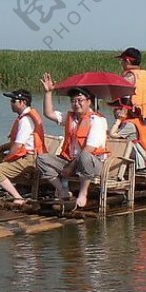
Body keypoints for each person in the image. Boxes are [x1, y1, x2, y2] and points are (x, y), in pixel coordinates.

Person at [36, 74, 110, 208]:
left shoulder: (97, 121)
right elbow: (49, 113)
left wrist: (70, 166)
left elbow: (90, 149)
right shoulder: (71, 117)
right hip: (70, 161)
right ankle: (62, 190)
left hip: (93, 164)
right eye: (73, 101)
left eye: (80, 100)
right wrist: (48, 93)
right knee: (42, 159)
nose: (76, 104)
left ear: (89, 101)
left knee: (85, 156)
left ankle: (83, 193)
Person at [0, 89, 46, 205]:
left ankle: (18, 197)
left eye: (13, 100)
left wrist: (6, 160)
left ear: (23, 102)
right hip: (21, 155)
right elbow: (17, 142)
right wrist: (1, 148)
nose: (11, 103)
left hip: (28, 159)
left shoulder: (26, 120)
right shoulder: (23, 117)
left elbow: (17, 146)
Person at [107, 95, 146, 172]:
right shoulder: (131, 121)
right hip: (138, 155)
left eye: (117, 109)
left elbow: (112, 134)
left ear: (124, 110)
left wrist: (119, 119)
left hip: (141, 160)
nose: (114, 111)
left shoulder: (130, 125)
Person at [114, 47, 146, 126]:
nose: (121, 63)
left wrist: (121, 114)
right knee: (143, 136)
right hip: (145, 118)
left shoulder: (129, 77)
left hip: (130, 119)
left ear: (127, 61)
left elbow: (125, 99)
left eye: (122, 61)